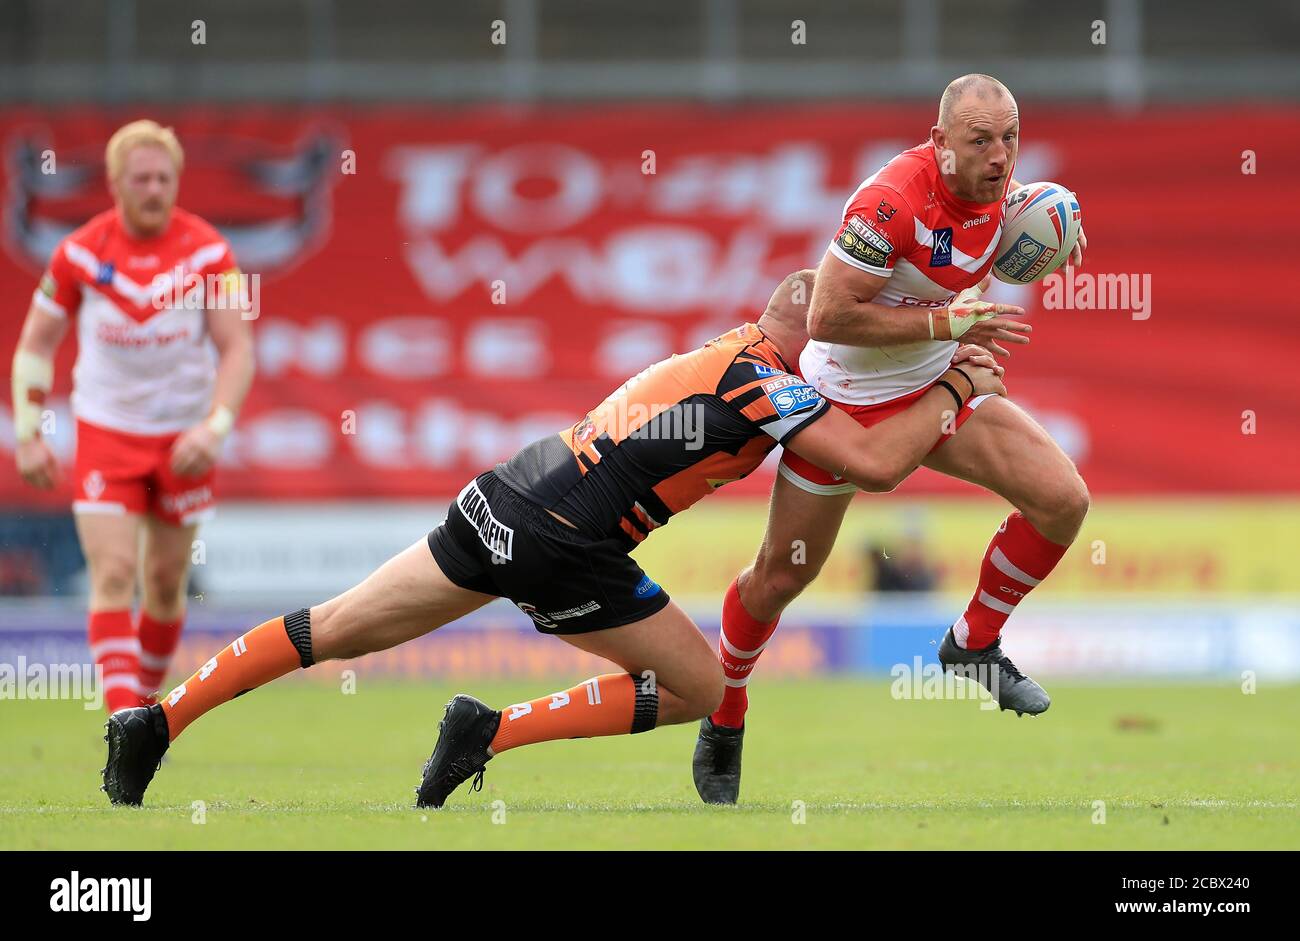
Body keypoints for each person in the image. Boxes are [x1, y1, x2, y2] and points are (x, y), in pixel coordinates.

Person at [98, 270, 1005, 808]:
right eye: (846, 330)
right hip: (567, 542)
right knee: (699, 686)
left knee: (333, 626)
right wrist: (956, 383)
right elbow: (877, 465)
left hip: (504, 491)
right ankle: (487, 732)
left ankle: (157, 719)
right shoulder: (771, 385)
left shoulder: (723, 351)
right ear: (813, 332)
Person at [693, 74, 1090, 804]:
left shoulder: (1000, 186)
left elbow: (1025, 220)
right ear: (940, 144)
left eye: (1011, 137)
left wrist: (1058, 231)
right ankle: (726, 711)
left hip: (934, 383)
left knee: (1063, 501)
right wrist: (949, 326)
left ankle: (973, 643)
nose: (1001, 157)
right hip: (842, 400)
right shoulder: (889, 204)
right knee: (780, 577)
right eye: (980, 141)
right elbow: (829, 317)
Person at [11, 119, 255, 713]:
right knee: (115, 573)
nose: (154, 189)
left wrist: (214, 428)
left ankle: (143, 709)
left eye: (165, 178)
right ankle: (125, 720)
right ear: (116, 182)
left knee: (167, 583)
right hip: (106, 433)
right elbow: (35, 346)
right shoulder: (77, 254)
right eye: (141, 178)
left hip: (183, 438)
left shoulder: (210, 252)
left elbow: (238, 349)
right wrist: (28, 430)